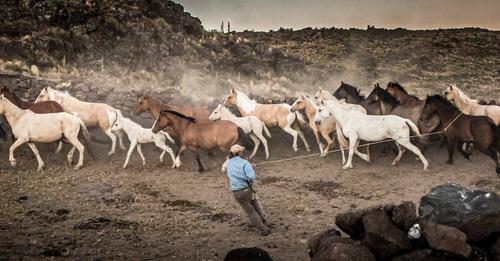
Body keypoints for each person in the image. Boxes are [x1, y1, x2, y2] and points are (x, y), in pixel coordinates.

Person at [225, 144, 271, 236]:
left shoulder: (228, 162)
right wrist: (251, 168)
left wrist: (249, 167)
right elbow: (251, 177)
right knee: (255, 206)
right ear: (239, 153)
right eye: (241, 151)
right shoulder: (245, 163)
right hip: (247, 190)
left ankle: (263, 224)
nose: (243, 152)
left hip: (237, 192)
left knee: (250, 211)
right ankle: (264, 227)